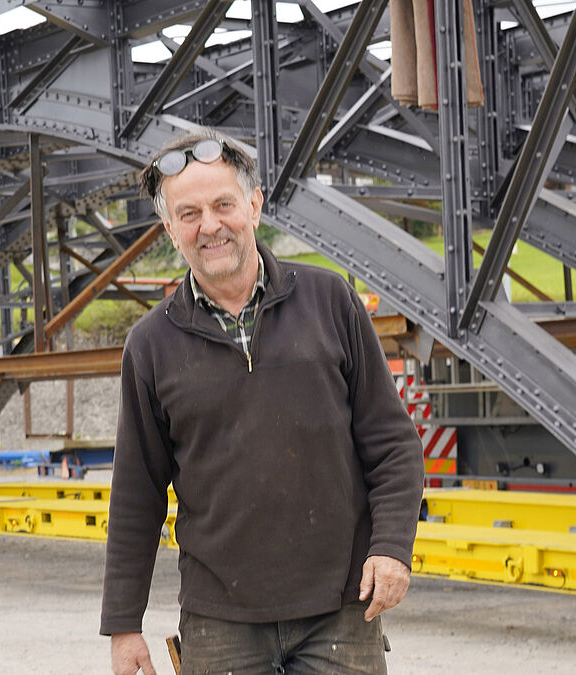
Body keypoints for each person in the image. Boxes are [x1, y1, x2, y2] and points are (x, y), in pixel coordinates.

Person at [100, 128, 424, 674]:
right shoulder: (151, 344)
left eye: (223, 204)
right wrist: (124, 625)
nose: (210, 225)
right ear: (169, 229)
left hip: (339, 611)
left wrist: (391, 548)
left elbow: (393, 445)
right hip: (220, 621)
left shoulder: (331, 302)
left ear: (254, 205)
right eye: (189, 213)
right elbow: (137, 494)